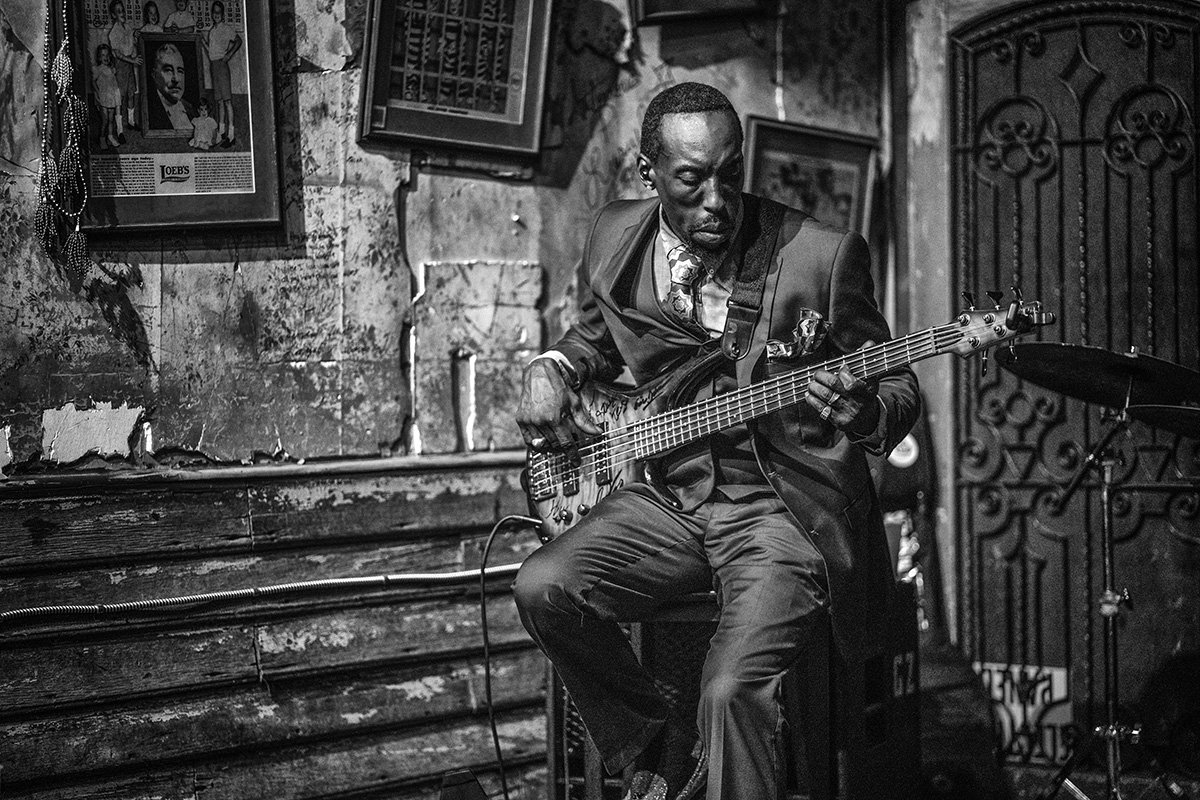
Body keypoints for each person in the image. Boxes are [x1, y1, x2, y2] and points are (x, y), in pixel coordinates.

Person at [513, 82, 920, 800]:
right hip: (669, 500)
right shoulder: (615, 235)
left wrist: (861, 414)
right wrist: (553, 367)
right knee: (543, 587)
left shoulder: (821, 256)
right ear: (650, 175)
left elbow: (899, 388)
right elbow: (597, 334)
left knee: (730, 690)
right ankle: (650, 740)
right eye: (692, 179)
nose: (717, 200)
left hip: (780, 512)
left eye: (731, 174)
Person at [202, 0, 242, 147]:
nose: (216, 15)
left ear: (222, 14)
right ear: (212, 14)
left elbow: (238, 41)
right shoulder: (212, 31)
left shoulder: (226, 28)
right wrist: (202, 42)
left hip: (222, 66)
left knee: (227, 101)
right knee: (219, 101)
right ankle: (221, 132)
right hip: (214, 66)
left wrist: (229, 55)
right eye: (214, 12)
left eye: (219, 12)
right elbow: (211, 52)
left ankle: (231, 136)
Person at [106, 0, 141, 140]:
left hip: (129, 66)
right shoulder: (113, 32)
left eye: (123, 10)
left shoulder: (128, 27)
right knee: (120, 98)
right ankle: (120, 130)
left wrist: (136, 37)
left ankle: (131, 122)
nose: (122, 13)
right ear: (114, 15)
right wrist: (132, 60)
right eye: (119, 11)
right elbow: (118, 54)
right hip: (120, 66)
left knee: (131, 94)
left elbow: (132, 45)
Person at [146, 42, 194, 131]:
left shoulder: (191, 108)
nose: (176, 79)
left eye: (180, 71)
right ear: (154, 75)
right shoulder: (148, 113)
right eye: (168, 70)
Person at [92, 44, 121, 149]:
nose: (105, 57)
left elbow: (114, 83)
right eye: (103, 55)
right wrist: (97, 93)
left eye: (107, 55)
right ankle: (102, 138)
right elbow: (93, 82)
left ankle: (110, 137)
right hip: (103, 97)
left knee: (111, 119)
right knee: (104, 120)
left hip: (111, 97)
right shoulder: (98, 69)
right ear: (99, 57)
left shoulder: (112, 69)